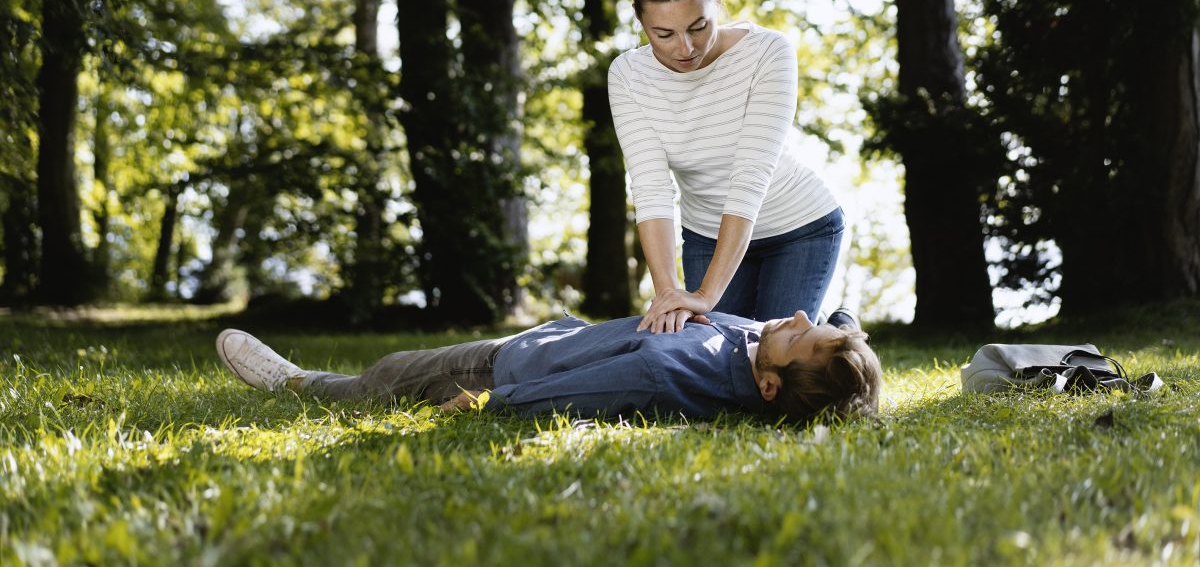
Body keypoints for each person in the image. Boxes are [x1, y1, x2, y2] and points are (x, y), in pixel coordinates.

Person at [609, 0, 846, 334]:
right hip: (706, 235)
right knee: (715, 357)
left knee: (771, 361)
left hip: (799, 227)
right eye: (663, 34)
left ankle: (837, 326)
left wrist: (704, 296)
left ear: (717, 0)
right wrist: (668, 293)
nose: (685, 49)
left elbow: (749, 176)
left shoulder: (768, 52)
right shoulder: (629, 75)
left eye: (698, 26)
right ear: (640, 22)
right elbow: (651, 188)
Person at [215, 308, 881, 425]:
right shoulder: (749, 353)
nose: (795, 316)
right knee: (394, 371)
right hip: (549, 338)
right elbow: (830, 340)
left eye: (801, 334)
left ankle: (295, 381)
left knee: (388, 376)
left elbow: (585, 393)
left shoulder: (670, 373)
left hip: (500, 368)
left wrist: (488, 404)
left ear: (769, 385)